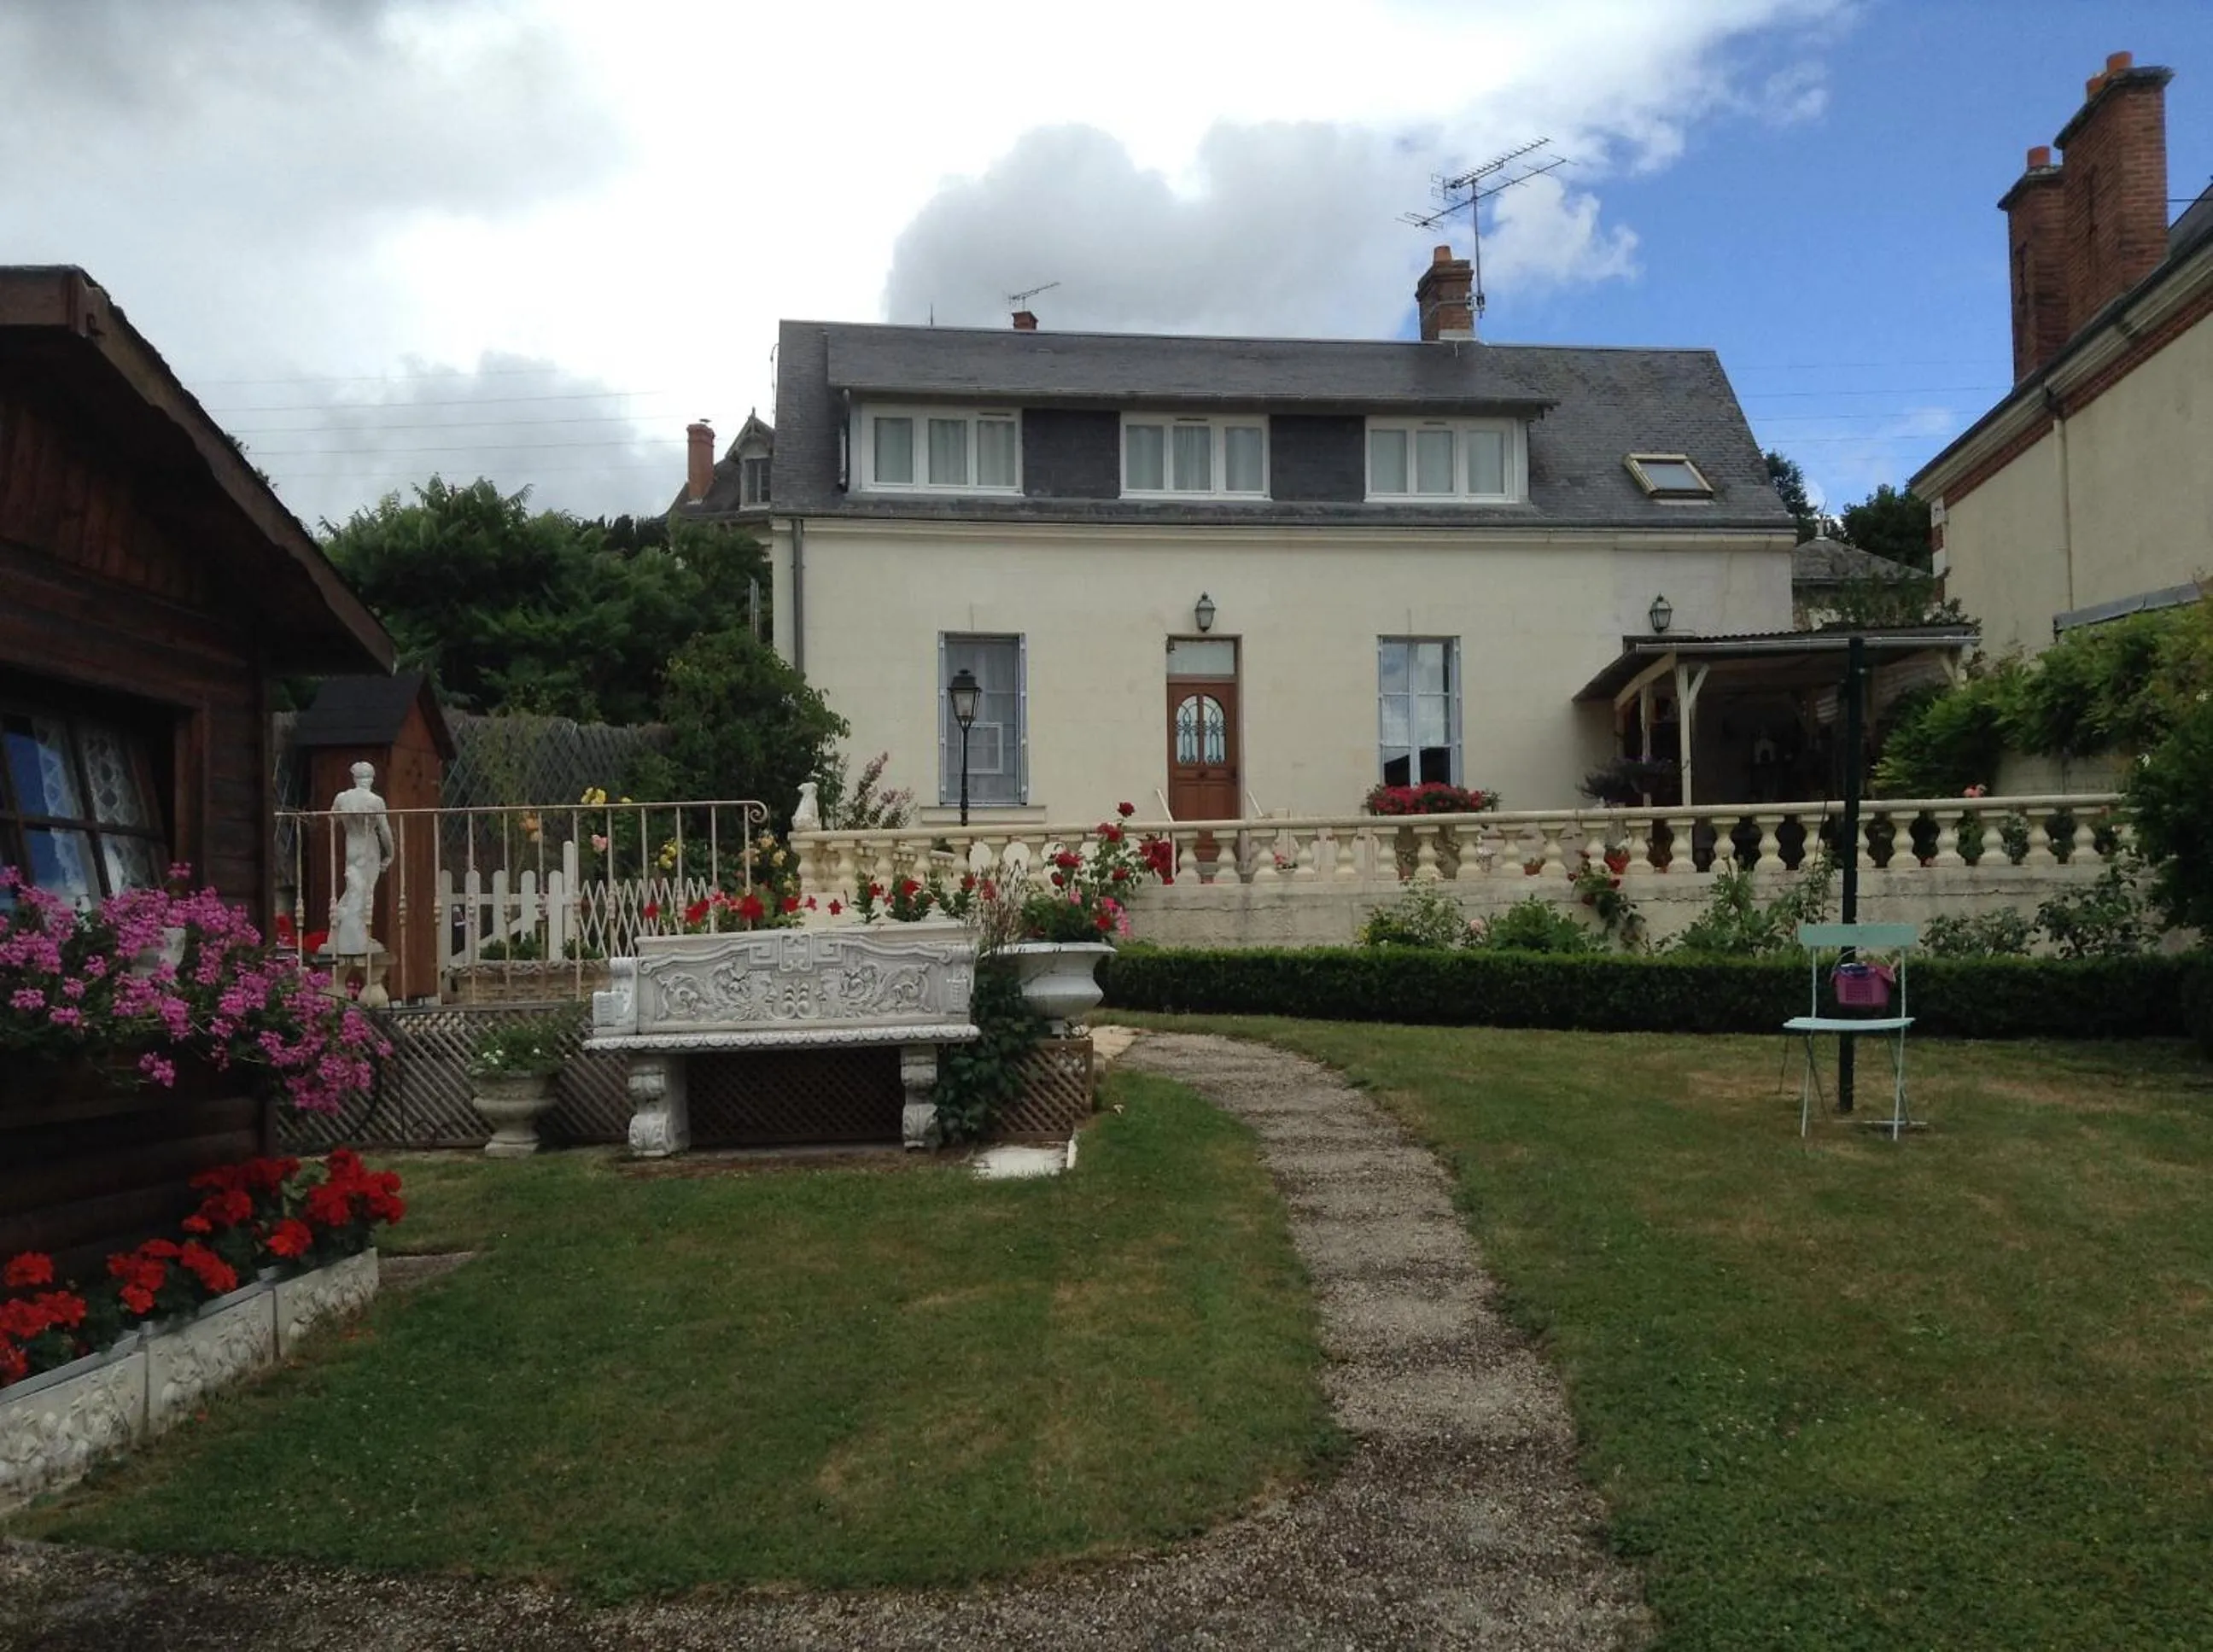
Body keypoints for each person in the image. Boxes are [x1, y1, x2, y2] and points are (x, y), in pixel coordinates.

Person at [329, 761, 394, 956]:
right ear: (371, 778)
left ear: (355, 778)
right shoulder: (375, 801)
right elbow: (384, 831)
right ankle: (354, 938)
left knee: (353, 888)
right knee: (365, 891)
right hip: (368, 846)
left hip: (352, 844)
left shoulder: (342, 798)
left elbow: (332, 818)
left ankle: (343, 932)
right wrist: (391, 853)